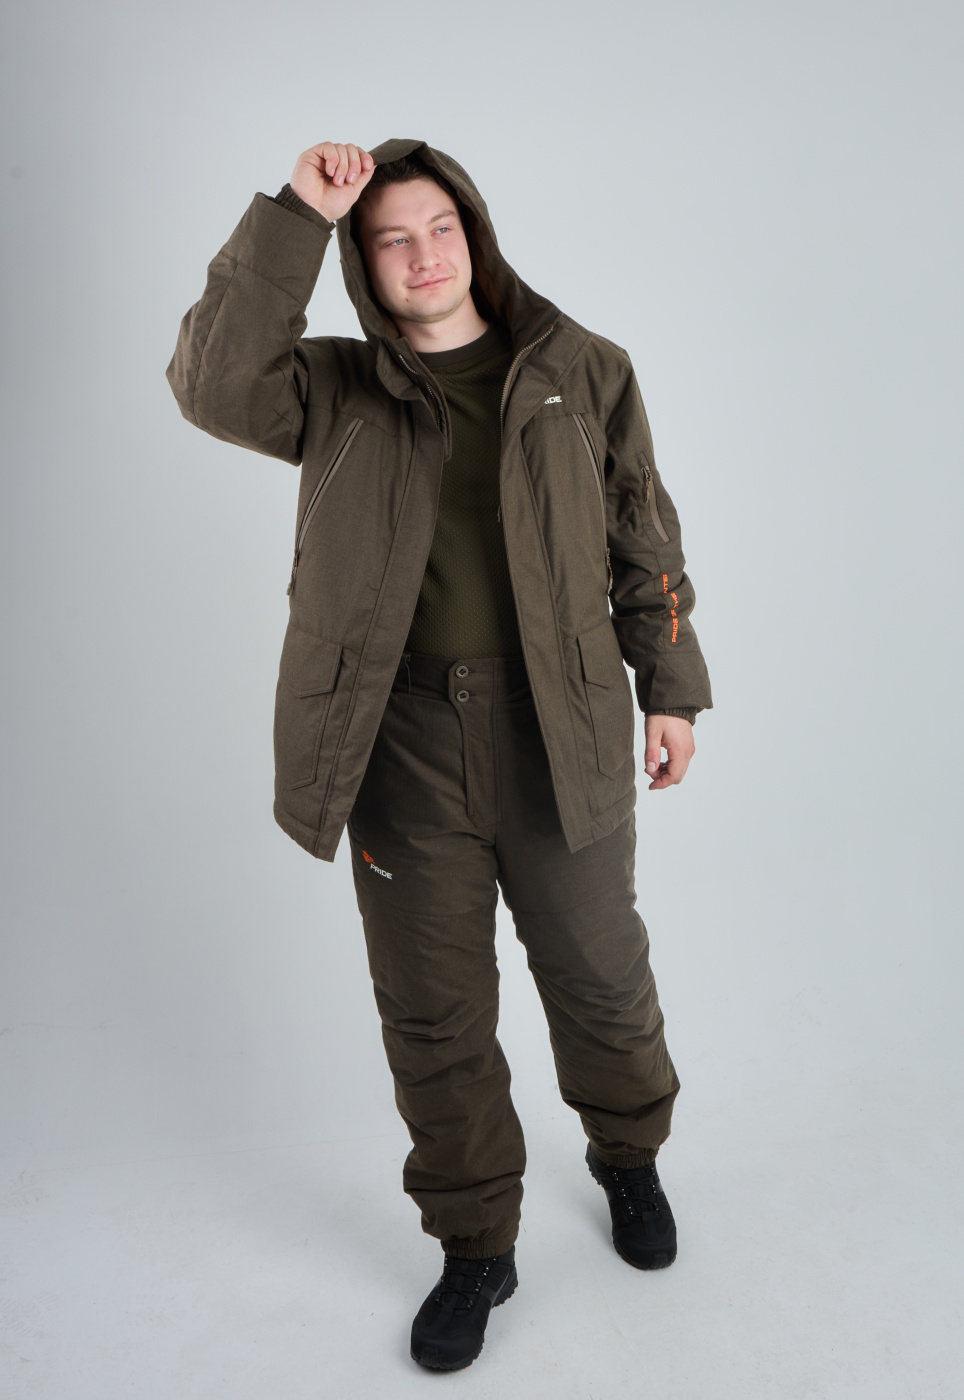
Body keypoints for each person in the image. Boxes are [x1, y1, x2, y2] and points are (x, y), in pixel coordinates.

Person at [167, 137, 712, 1372]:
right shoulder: (333, 386)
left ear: (475, 233)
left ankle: (627, 1154)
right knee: (433, 1009)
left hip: (560, 725)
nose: (423, 256)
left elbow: (644, 533)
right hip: (400, 740)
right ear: (362, 263)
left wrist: (671, 687)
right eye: (391, 239)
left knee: (600, 978)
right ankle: (475, 1240)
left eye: (440, 229)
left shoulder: (581, 367)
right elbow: (210, 382)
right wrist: (297, 213)